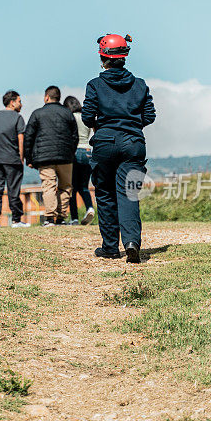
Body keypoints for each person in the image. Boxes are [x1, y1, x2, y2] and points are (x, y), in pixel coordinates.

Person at [82, 34, 156, 263]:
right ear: (125, 57)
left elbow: (86, 116)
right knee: (129, 193)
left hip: (104, 143)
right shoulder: (140, 85)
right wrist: (132, 127)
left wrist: (103, 127)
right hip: (134, 144)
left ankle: (110, 248)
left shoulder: (95, 85)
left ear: (103, 57)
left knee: (105, 194)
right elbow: (150, 116)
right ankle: (132, 242)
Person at [24, 86, 79, 226]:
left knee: (48, 186)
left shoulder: (37, 114)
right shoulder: (67, 113)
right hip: (65, 157)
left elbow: (28, 137)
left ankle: (49, 218)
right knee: (65, 186)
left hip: (44, 158)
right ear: (58, 97)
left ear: (46, 97)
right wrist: (70, 152)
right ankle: (61, 218)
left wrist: (29, 158)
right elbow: (75, 136)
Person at [0, 90, 30, 228]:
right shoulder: (17, 118)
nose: (21, 104)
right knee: (13, 190)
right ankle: (16, 220)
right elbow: (21, 139)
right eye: (20, 101)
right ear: (12, 102)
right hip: (12, 160)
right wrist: (22, 158)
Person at [63, 95, 95, 225]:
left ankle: (74, 218)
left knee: (72, 188)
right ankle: (90, 207)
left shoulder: (70, 118)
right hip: (88, 151)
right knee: (84, 186)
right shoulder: (85, 117)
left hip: (75, 152)